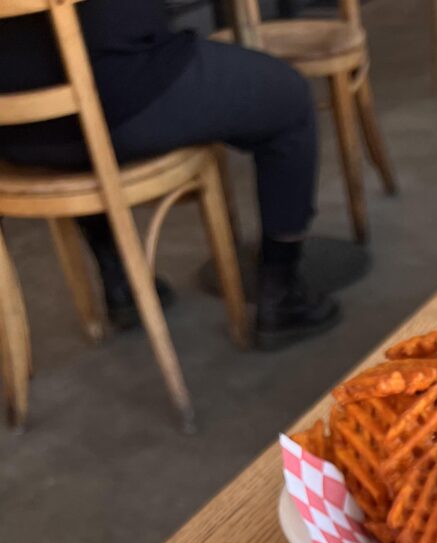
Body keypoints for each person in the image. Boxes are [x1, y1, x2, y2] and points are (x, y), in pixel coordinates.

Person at [0, 0, 341, 349]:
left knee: (54, 58)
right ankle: (281, 292)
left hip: (15, 132)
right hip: (123, 99)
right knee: (288, 98)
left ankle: (122, 280)